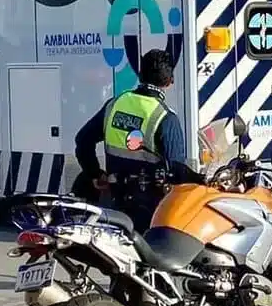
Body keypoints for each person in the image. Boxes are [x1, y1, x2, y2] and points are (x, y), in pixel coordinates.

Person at [73, 49, 192, 229]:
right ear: (170, 82)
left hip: (115, 204)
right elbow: (178, 173)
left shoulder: (114, 105)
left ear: (140, 75)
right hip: (151, 211)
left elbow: (82, 140)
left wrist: (95, 174)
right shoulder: (165, 118)